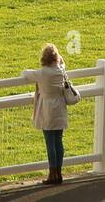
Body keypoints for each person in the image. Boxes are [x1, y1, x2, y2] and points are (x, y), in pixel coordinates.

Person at [24, 43, 71, 186]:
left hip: (47, 109)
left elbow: (25, 74)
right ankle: (59, 172)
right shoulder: (60, 70)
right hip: (60, 108)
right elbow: (62, 62)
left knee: (50, 142)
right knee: (58, 141)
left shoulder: (42, 73)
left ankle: (52, 173)